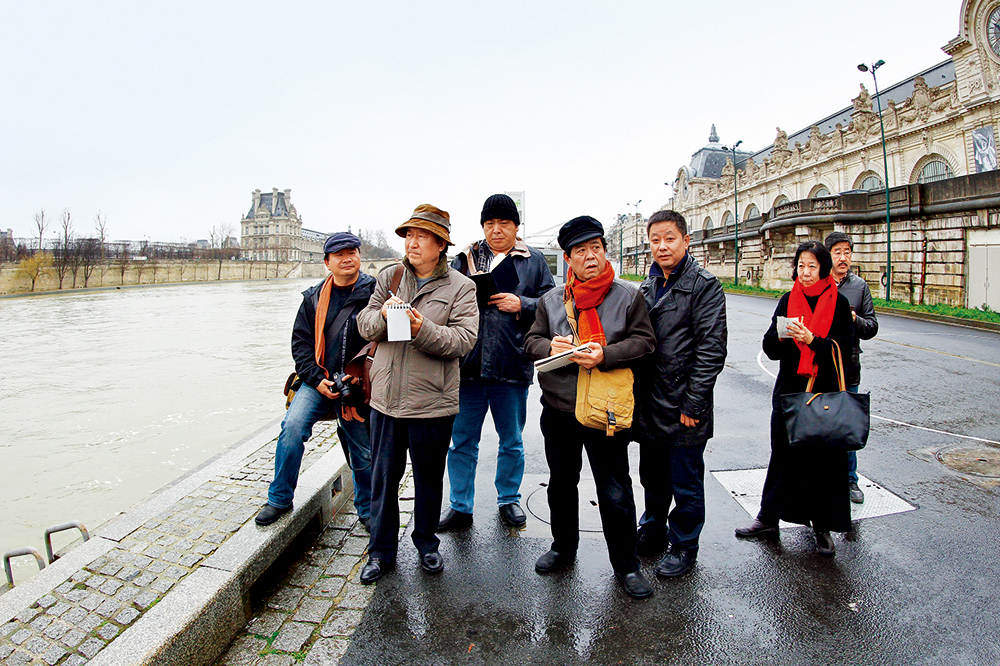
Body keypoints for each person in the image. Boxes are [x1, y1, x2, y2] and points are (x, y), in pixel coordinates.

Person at [524, 216, 657, 598]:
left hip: (606, 409)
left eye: (595, 248)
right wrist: (550, 346)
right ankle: (563, 547)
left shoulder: (629, 296)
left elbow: (645, 343)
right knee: (561, 483)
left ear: (604, 251)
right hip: (560, 408)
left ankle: (627, 566)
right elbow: (531, 341)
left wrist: (606, 354)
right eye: (581, 251)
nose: (590, 256)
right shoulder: (552, 301)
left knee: (614, 488)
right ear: (568, 259)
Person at [355, 204, 478, 584]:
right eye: (409, 234)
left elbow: (463, 341)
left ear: (441, 245)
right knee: (383, 479)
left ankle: (426, 544)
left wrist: (420, 326)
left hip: (433, 404)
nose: (412, 241)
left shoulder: (462, 287)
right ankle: (380, 552)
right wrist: (384, 315)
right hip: (386, 400)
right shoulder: (390, 277)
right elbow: (364, 324)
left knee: (428, 479)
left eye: (421, 235)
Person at [439, 194, 555, 531]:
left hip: (512, 364)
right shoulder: (464, 259)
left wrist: (522, 303)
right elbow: (445, 300)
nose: (496, 229)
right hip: (468, 367)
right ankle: (460, 506)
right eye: (490, 223)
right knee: (461, 442)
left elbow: (552, 302)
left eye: (504, 223)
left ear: (516, 226)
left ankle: (509, 499)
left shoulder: (533, 260)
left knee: (512, 441)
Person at [735, 240, 856, 555]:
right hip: (789, 391)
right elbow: (769, 348)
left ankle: (822, 528)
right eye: (801, 266)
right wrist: (783, 335)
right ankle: (768, 518)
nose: (805, 272)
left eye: (812, 266)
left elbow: (844, 348)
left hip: (823, 393)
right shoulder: (788, 300)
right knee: (783, 455)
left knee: (823, 462)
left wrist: (813, 340)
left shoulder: (839, 304)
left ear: (823, 269)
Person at [256, 232, 376, 527]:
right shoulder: (312, 299)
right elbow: (301, 346)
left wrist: (359, 375)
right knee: (292, 429)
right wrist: (317, 378)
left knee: (362, 449)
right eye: (339, 254)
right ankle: (279, 498)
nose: (347, 258)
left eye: (352, 252)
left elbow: (382, 341)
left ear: (360, 257)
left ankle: (368, 509)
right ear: (327, 263)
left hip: (357, 384)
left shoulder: (375, 293)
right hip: (317, 380)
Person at [634, 210, 727, 578]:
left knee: (686, 481)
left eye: (669, 238)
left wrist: (695, 403)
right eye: (655, 239)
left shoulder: (704, 285)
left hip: (684, 403)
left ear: (686, 241)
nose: (662, 246)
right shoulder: (647, 285)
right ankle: (653, 529)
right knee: (652, 476)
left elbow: (711, 349)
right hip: (651, 402)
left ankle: (685, 544)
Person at [824, 231, 878, 504]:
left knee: (847, 426)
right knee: (818, 424)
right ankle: (819, 479)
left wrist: (855, 319)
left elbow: (872, 327)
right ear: (828, 256)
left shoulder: (859, 287)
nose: (843, 257)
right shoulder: (817, 282)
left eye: (847, 252)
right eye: (838, 252)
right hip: (820, 368)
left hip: (849, 368)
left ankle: (850, 480)